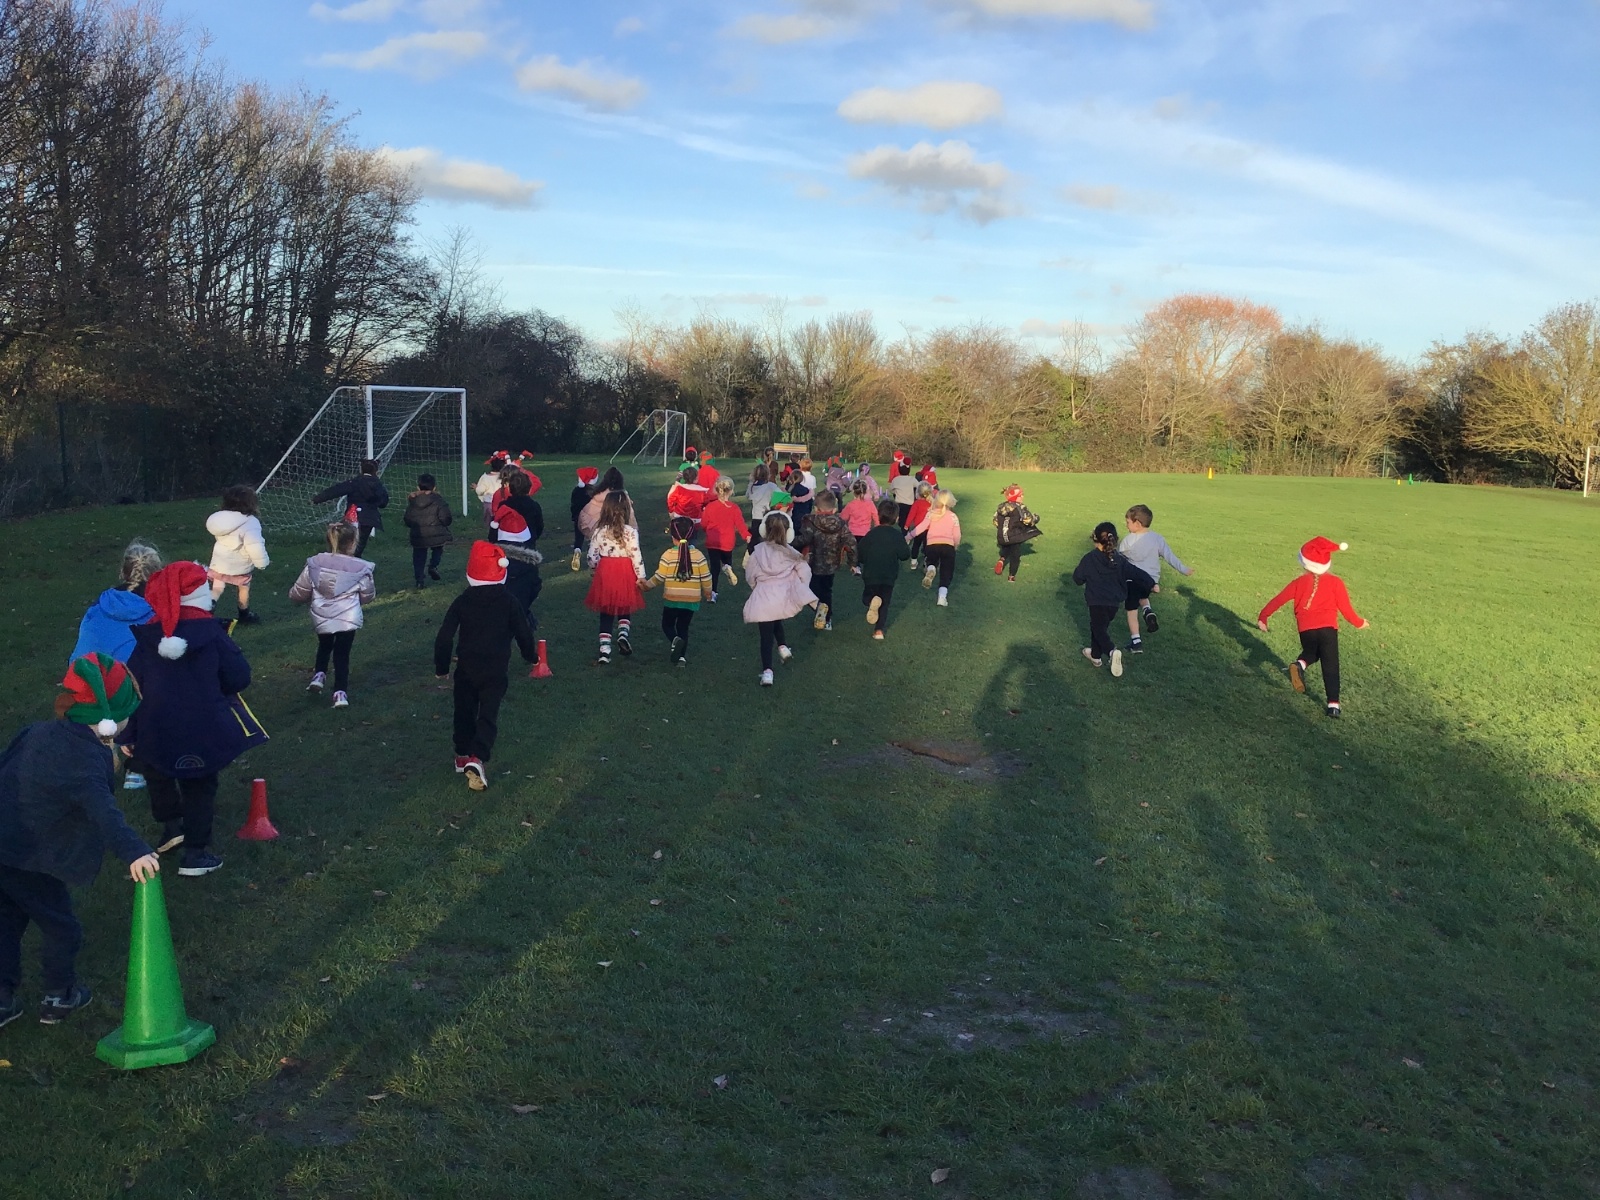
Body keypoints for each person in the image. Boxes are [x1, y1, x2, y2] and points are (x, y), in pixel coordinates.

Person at [0, 655, 160, 1027]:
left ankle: (3, 1000)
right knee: (61, 927)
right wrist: (134, 850)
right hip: (34, 856)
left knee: (5, 921)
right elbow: (104, 812)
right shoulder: (85, 760)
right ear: (110, 718)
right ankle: (60, 994)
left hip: (4, 845)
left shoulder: (36, 732)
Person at [120, 561, 256, 877]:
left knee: (158, 773)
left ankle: (171, 826)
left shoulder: (147, 636)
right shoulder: (212, 633)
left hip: (155, 726)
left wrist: (128, 733)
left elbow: (132, 686)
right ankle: (195, 852)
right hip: (203, 724)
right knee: (200, 785)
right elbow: (239, 676)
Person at [433, 542, 536, 789]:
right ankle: (478, 756)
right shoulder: (509, 601)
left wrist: (442, 667)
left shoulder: (462, 601)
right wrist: (531, 656)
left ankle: (462, 753)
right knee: (488, 713)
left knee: (464, 709)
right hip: (496, 668)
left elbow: (445, 636)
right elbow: (523, 631)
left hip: (467, 666)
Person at [70, 538, 162, 793]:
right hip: (130, 683)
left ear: (123, 571)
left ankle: (103, 757)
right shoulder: (157, 609)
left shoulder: (101, 605)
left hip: (89, 676)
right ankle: (137, 766)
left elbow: (86, 641)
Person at [1257, 537, 1369, 719]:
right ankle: (1333, 705)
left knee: (1312, 652)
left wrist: (1263, 616)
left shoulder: (1297, 583)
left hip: (1306, 629)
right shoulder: (1336, 582)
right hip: (1328, 629)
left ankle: (1299, 664)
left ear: (1304, 562)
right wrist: (1359, 622)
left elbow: (1278, 600)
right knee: (1330, 664)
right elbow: (1346, 610)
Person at [288, 521, 375, 708]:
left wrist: (298, 596)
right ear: (353, 543)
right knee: (342, 654)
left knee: (325, 645)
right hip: (347, 618)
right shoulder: (361, 570)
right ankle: (340, 692)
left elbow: (300, 591)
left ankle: (319, 675)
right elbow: (367, 595)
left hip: (322, 615)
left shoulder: (314, 565)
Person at [742, 506, 816, 686]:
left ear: (764, 530)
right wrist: (799, 586)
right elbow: (805, 572)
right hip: (782, 597)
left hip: (763, 598)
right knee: (776, 620)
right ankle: (783, 647)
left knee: (766, 636)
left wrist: (755, 587)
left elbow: (750, 575)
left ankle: (768, 672)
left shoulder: (757, 552)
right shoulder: (791, 553)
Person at [1119, 504, 1193, 652]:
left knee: (1131, 610)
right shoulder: (1157, 538)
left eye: (1128, 522)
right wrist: (1184, 569)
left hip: (1133, 580)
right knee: (1142, 595)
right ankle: (1148, 611)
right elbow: (1169, 556)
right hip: (1150, 581)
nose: (1126, 526)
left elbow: (1119, 561)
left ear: (1137, 523)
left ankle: (1136, 643)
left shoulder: (1128, 541)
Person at [585, 490, 647, 665]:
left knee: (606, 610)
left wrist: (594, 567)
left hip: (606, 572)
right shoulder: (631, 532)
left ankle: (604, 651)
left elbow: (591, 556)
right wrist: (641, 576)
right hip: (625, 572)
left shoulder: (599, 532)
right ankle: (623, 634)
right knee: (624, 604)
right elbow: (636, 555)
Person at [642, 517, 713, 666]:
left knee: (667, 625)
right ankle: (681, 658)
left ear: (673, 536)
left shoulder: (668, 555)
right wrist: (708, 592)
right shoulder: (699, 556)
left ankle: (675, 640)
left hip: (672, 598)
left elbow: (659, 577)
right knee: (683, 627)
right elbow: (706, 577)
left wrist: (647, 586)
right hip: (691, 600)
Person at [1072, 522, 1130, 678]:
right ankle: (1095, 656)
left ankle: (1111, 651)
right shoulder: (1120, 559)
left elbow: (1078, 578)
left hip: (1097, 601)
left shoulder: (1090, 558)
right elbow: (1129, 575)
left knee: (1098, 629)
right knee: (1099, 627)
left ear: (1095, 538)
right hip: (1114, 603)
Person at [205, 485, 270, 626]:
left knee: (217, 587)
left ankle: (207, 610)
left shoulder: (220, 520)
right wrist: (262, 562)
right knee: (243, 587)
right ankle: (244, 614)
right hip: (241, 565)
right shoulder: (250, 522)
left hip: (220, 562)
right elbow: (254, 544)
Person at [794, 490, 856, 631]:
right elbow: (851, 543)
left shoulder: (810, 521)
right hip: (831, 564)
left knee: (811, 588)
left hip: (813, 562)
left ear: (816, 508)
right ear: (834, 509)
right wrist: (852, 562)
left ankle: (819, 608)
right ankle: (827, 620)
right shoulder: (841, 524)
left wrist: (788, 542)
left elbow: (804, 539)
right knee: (827, 590)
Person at [490, 472, 544, 626]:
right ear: (528, 488)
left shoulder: (503, 506)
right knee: (531, 584)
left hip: (505, 551)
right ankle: (521, 613)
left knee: (509, 583)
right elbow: (539, 527)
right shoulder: (534, 506)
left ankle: (518, 612)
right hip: (526, 549)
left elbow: (493, 529)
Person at [857, 499, 910, 640]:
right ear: (896, 518)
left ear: (878, 515)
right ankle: (879, 631)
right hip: (889, 576)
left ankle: (870, 601)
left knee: (867, 596)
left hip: (871, 574)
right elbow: (905, 555)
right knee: (885, 603)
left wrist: (863, 560)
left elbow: (860, 553)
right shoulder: (897, 535)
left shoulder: (871, 534)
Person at [311, 460, 388, 555]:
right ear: (376, 471)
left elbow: (336, 490)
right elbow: (383, 503)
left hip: (352, 516)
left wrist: (317, 499)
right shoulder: (378, 485)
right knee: (360, 544)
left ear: (361, 469)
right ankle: (355, 559)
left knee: (347, 541)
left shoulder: (354, 482)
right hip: (369, 518)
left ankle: (343, 558)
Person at [908, 488, 961, 607]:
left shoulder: (931, 514)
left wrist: (909, 536)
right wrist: (955, 544)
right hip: (948, 546)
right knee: (946, 571)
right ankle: (942, 598)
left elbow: (922, 527)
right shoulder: (953, 517)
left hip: (932, 544)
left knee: (931, 560)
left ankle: (931, 568)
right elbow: (957, 535)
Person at [700, 476, 750, 598]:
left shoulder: (710, 507)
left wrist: (707, 531)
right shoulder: (734, 508)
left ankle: (713, 592)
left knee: (714, 567)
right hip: (727, 542)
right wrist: (747, 535)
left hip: (713, 541)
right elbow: (741, 525)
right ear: (731, 491)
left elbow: (704, 523)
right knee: (727, 559)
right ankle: (727, 566)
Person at [402, 474, 453, 589]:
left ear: (418, 487)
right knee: (438, 548)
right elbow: (446, 517)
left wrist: (413, 526)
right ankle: (433, 566)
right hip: (436, 532)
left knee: (419, 556)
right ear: (434, 487)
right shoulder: (439, 500)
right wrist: (444, 524)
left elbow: (408, 519)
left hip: (419, 534)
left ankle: (419, 580)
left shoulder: (413, 502)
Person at [993, 485, 1042, 582]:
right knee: (1015, 555)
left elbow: (995, 522)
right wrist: (1036, 518)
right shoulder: (1020, 507)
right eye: (1021, 495)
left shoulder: (1000, 507)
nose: (1023, 496)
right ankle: (1011, 577)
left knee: (1007, 545)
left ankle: (1002, 559)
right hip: (1015, 536)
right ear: (1015, 497)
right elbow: (1028, 520)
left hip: (1001, 537)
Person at [578, 467, 637, 542]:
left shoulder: (597, 493)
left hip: (592, 528)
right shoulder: (622, 497)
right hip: (612, 532)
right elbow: (631, 519)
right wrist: (634, 533)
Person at [570, 466, 599, 571]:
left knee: (579, 537)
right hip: (593, 519)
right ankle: (593, 558)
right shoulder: (596, 492)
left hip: (579, 518)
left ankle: (577, 550)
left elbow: (573, 506)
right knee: (594, 539)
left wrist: (574, 517)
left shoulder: (576, 491)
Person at [904, 483, 933, 572]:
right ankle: (926, 561)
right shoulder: (931, 504)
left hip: (918, 529)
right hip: (928, 529)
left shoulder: (917, 503)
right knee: (927, 545)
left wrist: (907, 525)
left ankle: (913, 562)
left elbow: (911, 515)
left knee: (916, 545)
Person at [475, 452, 510, 518]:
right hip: (502, 503)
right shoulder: (505, 477)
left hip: (489, 503)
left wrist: (477, 488)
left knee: (488, 520)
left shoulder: (485, 478)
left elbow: (480, 491)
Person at [888, 461, 917, 527]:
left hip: (899, 503)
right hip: (909, 504)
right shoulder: (912, 479)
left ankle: (902, 528)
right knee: (906, 519)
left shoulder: (896, 479)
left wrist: (896, 492)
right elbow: (919, 487)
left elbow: (891, 490)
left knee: (901, 519)